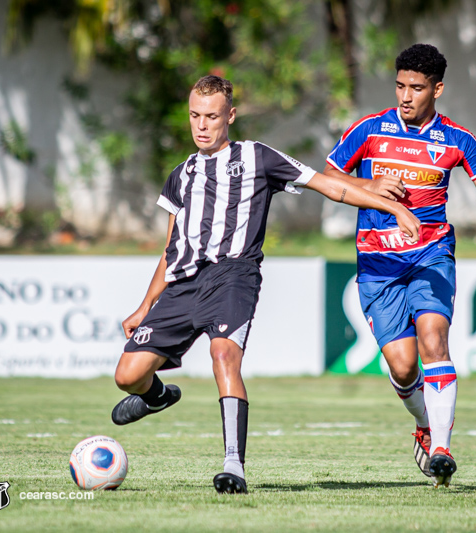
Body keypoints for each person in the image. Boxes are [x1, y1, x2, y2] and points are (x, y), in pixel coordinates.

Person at [111, 75, 421, 495]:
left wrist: (389, 207)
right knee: (127, 376)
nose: (202, 125)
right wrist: (146, 304)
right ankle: (158, 396)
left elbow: (329, 185)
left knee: (224, 355)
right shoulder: (180, 175)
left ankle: (233, 467)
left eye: (212, 116)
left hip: (234, 277)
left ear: (230, 116)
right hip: (183, 286)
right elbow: (170, 248)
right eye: (195, 116)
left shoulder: (257, 157)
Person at [323, 44, 476, 487]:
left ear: (437, 89)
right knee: (404, 367)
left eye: (416, 88)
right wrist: (368, 183)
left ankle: (442, 450)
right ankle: (426, 425)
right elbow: (327, 178)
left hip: (432, 255)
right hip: (377, 264)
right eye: (400, 86)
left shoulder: (457, 139)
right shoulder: (369, 130)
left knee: (434, 340)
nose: (405, 96)